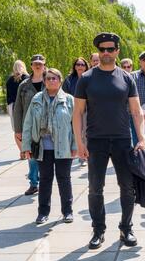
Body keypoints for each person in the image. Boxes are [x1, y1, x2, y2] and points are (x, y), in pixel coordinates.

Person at [74, 32, 145, 250]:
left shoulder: (127, 78)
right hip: (96, 141)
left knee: (127, 188)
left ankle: (126, 228)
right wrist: (80, 143)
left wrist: (141, 138)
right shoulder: (86, 78)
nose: (106, 53)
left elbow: (136, 111)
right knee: (95, 188)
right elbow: (77, 113)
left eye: (110, 49)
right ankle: (98, 230)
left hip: (123, 140)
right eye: (102, 49)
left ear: (117, 51)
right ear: (98, 51)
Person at [21, 68, 77, 224]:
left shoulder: (69, 100)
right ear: (44, 81)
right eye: (49, 78)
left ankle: (67, 211)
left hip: (64, 146)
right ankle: (43, 212)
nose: (51, 81)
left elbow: (75, 125)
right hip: (42, 148)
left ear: (60, 81)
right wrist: (26, 146)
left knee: (64, 179)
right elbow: (28, 123)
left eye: (55, 78)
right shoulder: (37, 99)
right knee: (45, 180)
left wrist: (75, 145)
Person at [14, 54, 46, 195]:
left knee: (48, 155)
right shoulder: (24, 85)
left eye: (40, 63)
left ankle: (46, 181)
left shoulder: (51, 80)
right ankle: (34, 183)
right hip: (30, 126)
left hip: (48, 126)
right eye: (35, 63)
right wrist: (18, 129)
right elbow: (18, 108)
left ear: (44, 64)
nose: (38, 65)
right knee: (32, 155)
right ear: (31, 66)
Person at [62, 57, 89, 167]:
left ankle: (84, 155)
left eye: (82, 64)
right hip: (73, 110)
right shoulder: (69, 79)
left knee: (85, 133)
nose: (80, 66)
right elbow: (63, 94)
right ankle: (76, 154)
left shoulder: (89, 78)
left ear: (86, 66)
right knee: (74, 132)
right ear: (74, 66)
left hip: (87, 109)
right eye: (78, 64)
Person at [6, 60, 29, 155]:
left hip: (13, 105)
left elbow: (8, 96)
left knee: (17, 129)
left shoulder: (9, 80)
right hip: (24, 105)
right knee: (26, 128)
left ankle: (21, 151)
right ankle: (26, 150)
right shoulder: (27, 78)